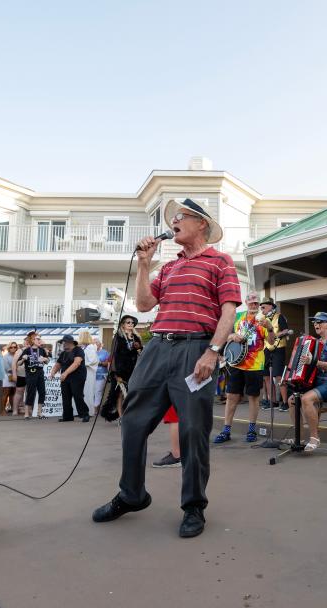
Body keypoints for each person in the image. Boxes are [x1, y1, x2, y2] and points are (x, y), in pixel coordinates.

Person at [91, 197, 240, 539]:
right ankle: (132, 494)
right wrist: (145, 264)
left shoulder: (220, 261)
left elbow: (229, 311)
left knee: (192, 430)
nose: (173, 221)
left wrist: (213, 351)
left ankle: (193, 506)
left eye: (180, 217)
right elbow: (144, 304)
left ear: (201, 223)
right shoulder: (168, 268)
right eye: (172, 218)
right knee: (132, 419)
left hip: (195, 348)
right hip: (158, 346)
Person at [213, 291, 275, 444]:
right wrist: (232, 336)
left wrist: (271, 329)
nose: (254, 305)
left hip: (255, 365)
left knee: (253, 397)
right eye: (251, 302)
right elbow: (225, 334)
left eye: (256, 303)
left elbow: (272, 342)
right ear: (246, 303)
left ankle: (251, 430)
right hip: (236, 363)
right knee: (232, 396)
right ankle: (226, 430)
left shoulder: (264, 320)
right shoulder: (238, 316)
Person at [286, 312, 327, 452]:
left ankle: (314, 438)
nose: (316, 325)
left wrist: (312, 361)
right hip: (318, 382)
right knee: (292, 400)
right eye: (314, 322)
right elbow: (311, 365)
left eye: (319, 322)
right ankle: (298, 437)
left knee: (306, 399)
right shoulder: (316, 342)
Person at [259, 298, 291, 409]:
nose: (261, 307)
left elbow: (286, 330)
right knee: (266, 376)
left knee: (278, 376)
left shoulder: (279, 317)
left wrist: (275, 335)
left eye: (264, 305)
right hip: (266, 349)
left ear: (271, 306)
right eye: (261, 306)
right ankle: (273, 402)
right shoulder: (262, 319)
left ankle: (285, 402)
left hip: (278, 349)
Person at [110, 315, 142, 420]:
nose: (131, 324)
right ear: (123, 325)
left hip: (134, 369)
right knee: (120, 394)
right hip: (121, 369)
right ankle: (121, 416)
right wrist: (115, 373)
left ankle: (131, 414)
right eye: (128, 322)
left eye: (132, 323)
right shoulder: (118, 337)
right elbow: (113, 355)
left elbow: (141, 353)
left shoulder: (136, 338)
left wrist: (139, 348)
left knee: (133, 392)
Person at [51, 334, 88, 422]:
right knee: (66, 396)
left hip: (77, 376)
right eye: (63, 342)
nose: (63, 344)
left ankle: (84, 414)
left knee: (77, 395)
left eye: (64, 342)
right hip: (65, 377)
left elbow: (76, 363)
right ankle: (67, 416)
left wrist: (65, 373)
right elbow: (58, 364)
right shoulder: (63, 353)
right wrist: (53, 372)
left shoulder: (78, 350)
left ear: (70, 342)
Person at [19, 332, 50, 419]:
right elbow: (18, 363)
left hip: (40, 373)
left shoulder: (42, 350)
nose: (40, 340)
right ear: (33, 340)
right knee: (30, 393)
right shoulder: (27, 350)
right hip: (31, 374)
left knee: (42, 392)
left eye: (40, 339)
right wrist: (22, 359)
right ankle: (26, 413)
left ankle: (39, 412)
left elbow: (47, 361)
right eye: (38, 339)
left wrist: (45, 359)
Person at [79, 329, 99, 417]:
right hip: (84, 371)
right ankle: (82, 410)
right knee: (83, 391)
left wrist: (81, 362)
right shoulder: (85, 347)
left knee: (88, 391)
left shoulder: (90, 347)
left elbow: (92, 360)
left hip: (89, 372)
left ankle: (89, 411)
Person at [11, 336, 30, 416]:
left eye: (29, 341)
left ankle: (28, 409)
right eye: (26, 341)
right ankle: (15, 410)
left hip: (31, 375)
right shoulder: (20, 351)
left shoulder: (35, 350)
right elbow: (14, 363)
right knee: (19, 392)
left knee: (29, 392)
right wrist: (14, 374)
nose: (27, 343)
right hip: (21, 374)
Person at [0, 342, 18, 415]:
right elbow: (7, 368)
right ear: (8, 348)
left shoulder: (17, 355)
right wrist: (17, 370)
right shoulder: (5, 356)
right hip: (7, 376)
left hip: (15, 376)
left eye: (15, 347)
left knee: (13, 393)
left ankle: (13, 409)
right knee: (6, 393)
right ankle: (2, 410)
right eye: (11, 347)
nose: (13, 348)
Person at [94, 339, 110, 410]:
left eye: (97, 342)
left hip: (101, 375)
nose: (95, 344)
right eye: (94, 343)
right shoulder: (91, 352)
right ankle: (91, 407)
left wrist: (99, 363)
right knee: (91, 392)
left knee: (98, 391)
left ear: (101, 344)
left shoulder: (105, 352)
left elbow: (107, 363)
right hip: (91, 375)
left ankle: (96, 408)